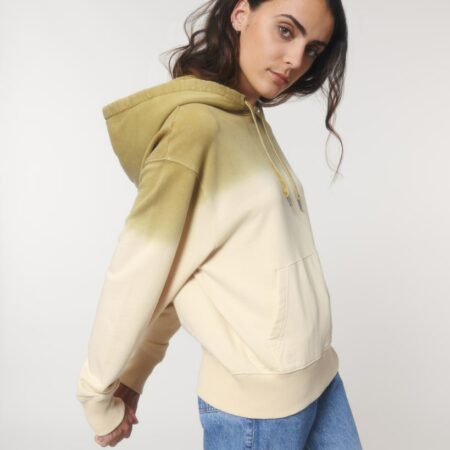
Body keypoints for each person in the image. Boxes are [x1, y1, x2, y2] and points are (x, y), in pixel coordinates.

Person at [76, 0, 363, 448]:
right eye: (286, 31)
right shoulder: (195, 127)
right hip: (257, 411)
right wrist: (98, 391)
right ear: (240, 14)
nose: (296, 59)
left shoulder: (248, 117)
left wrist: (136, 369)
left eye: (312, 49)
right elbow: (141, 268)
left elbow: (196, 261)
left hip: (319, 378)